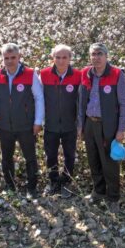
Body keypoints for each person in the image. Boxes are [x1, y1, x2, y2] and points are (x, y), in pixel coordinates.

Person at [78, 43, 125, 213]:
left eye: (100, 54)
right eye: (93, 54)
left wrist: (121, 129)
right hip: (90, 123)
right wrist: (80, 125)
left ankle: (113, 197)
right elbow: (81, 102)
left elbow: (124, 104)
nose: (96, 57)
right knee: (93, 159)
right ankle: (98, 191)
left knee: (110, 162)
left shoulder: (116, 74)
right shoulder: (86, 74)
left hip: (108, 125)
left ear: (106, 56)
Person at [0, 43, 44, 199]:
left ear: (19, 57)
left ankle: (32, 188)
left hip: (26, 125)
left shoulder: (30, 74)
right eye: (6, 58)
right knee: (6, 157)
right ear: (2, 58)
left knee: (30, 157)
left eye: (13, 57)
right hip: (4, 125)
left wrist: (38, 121)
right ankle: (10, 185)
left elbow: (39, 98)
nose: (10, 61)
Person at [39, 44, 81, 198]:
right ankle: (53, 182)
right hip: (50, 124)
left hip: (70, 124)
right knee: (51, 155)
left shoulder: (78, 75)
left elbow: (81, 101)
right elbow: (38, 99)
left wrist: (79, 124)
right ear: (52, 58)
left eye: (64, 57)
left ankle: (67, 182)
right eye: (57, 57)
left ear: (70, 58)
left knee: (70, 155)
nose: (61, 61)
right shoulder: (43, 75)